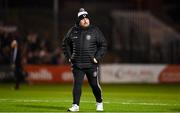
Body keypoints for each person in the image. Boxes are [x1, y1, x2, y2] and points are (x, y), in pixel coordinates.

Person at [62, 8, 107, 112]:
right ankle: (75, 105)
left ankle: (99, 102)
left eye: (87, 18)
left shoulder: (95, 30)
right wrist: (69, 57)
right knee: (77, 85)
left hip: (91, 64)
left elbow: (103, 45)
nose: (85, 20)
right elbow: (65, 44)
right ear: (79, 21)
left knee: (94, 85)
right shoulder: (72, 31)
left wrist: (97, 57)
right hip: (77, 64)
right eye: (83, 19)